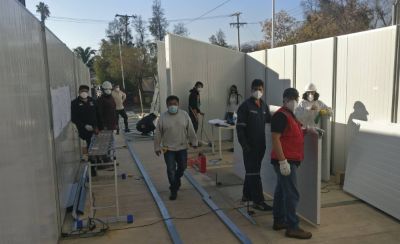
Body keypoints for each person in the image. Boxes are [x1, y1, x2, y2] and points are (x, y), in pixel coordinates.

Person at [270, 88, 312, 239]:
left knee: (281, 191)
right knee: (292, 194)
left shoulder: (290, 115)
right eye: (293, 98)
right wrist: (283, 162)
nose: (295, 101)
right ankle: (293, 227)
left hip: (289, 159)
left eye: (296, 98)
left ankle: (279, 221)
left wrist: (307, 131)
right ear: (286, 99)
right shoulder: (281, 115)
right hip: (285, 160)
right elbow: (275, 138)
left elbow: (292, 133)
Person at [236, 79, 272, 211]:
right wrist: (245, 146)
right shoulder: (245, 107)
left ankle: (246, 195)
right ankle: (258, 201)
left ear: (263, 90)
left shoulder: (263, 106)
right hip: (249, 147)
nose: (258, 91)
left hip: (260, 146)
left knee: (252, 172)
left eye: (260, 89)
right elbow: (239, 129)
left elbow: (269, 120)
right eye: (256, 89)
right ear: (251, 90)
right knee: (254, 173)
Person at [154, 95, 198, 200]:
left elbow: (190, 129)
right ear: (166, 105)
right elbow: (158, 134)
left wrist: (194, 141)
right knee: (170, 169)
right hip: (168, 148)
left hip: (182, 147)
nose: (172, 106)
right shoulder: (163, 118)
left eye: (175, 104)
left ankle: (176, 181)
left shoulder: (184, 115)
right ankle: (173, 190)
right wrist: (157, 147)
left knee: (183, 167)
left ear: (178, 104)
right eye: (170, 104)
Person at [71, 85, 98, 175]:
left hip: (95, 128)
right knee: (90, 146)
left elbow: (98, 114)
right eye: (82, 91)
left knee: (96, 146)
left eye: (86, 91)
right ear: (79, 92)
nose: (84, 92)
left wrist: (98, 126)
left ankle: (96, 162)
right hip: (84, 130)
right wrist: (84, 126)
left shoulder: (92, 101)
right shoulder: (75, 103)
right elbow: (74, 118)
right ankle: (92, 168)